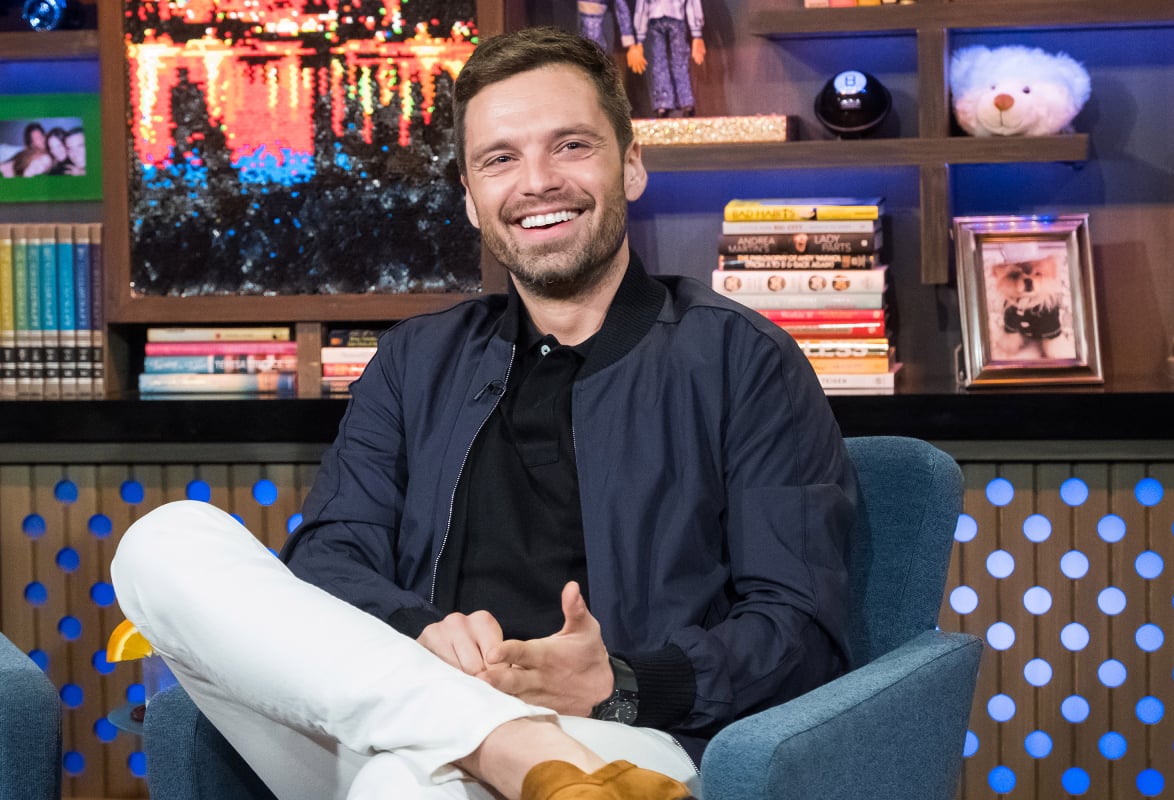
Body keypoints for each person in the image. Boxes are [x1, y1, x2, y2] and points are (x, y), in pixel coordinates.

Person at [111, 25, 855, 800]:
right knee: (164, 540)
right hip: (400, 707)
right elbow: (330, 559)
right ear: (470, 197)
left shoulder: (742, 361)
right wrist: (418, 632)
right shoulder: (415, 361)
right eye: (500, 159)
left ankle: (512, 751)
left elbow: (798, 629)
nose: (537, 182)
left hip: (624, 739)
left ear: (631, 165)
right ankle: (511, 749)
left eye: (571, 146)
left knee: (405, 785)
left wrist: (618, 682)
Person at [626, 1, 706, 117]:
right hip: (655, 18)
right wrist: (639, 38)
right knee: (658, 62)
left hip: (676, 17)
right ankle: (663, 101)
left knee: (680, 60)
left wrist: (697, 33)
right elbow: (642, 5)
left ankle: (686, 101)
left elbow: (692, 2)